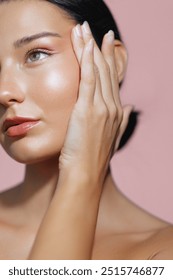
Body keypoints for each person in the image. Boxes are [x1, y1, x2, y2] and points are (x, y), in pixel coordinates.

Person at [0, 0, 172, 260]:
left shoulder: (160, 255)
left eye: (36, 54)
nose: (4, 92)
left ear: (112, 62)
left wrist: (81, 176)